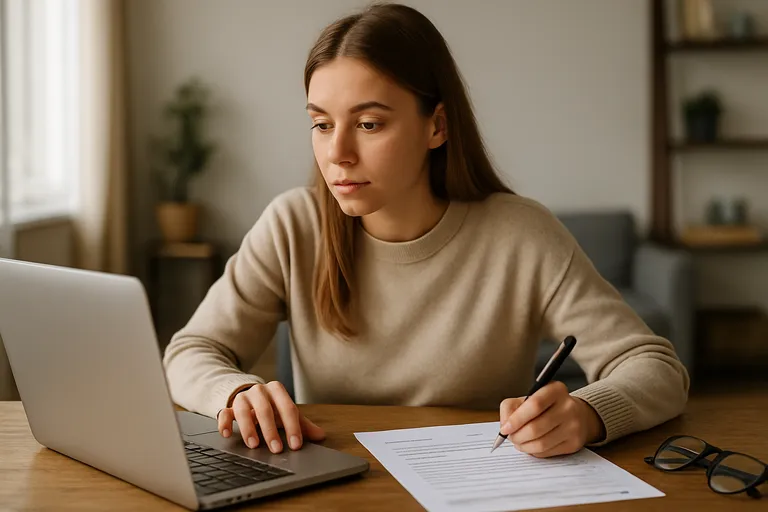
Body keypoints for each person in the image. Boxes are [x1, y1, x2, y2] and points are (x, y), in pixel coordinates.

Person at [163, 2, 689, 459]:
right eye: (322, 124)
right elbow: (190, 351)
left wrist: (588, 413)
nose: (337, 153)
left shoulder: (522, 234)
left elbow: (655, 367)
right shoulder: (292, 225)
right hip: (334, 490)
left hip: (474, 486)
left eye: (368, 124)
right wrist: (233, 393)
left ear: (436, 125)